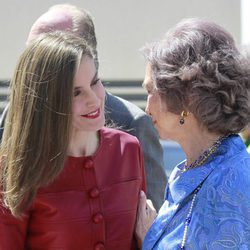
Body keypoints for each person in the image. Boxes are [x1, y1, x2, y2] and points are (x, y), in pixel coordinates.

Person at [0, 4, 166, 211]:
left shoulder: (132, 124)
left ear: (88, 55)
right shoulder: (14, 115)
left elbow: (152, 221)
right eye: (32, 51)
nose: (38, 63)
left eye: (52, 48)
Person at [0, 31, 146, 249]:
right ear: (46, 101)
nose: (94, 98)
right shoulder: (13, 168)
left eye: (95, 82)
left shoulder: (128, 149)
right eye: (76, 93)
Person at [136, 18, 250, 249]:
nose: (147, 108)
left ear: (185, 97)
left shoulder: (233, 184)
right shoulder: (187, 171)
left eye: (151, 91)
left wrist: (149, 238)